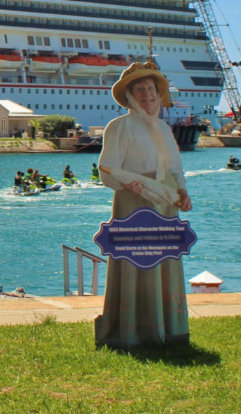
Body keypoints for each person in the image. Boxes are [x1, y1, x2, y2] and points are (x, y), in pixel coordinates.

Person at [95, 61, 191, 349]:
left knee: (164, 262)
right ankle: (133, 331)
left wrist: (183, 190)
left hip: (166, 199)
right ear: (129, 96)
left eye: (151, 88)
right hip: (134, 199)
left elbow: (175, 165)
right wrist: (129, 183)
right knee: (137, 260)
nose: (148, 94)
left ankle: (170, 330)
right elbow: (106, 168)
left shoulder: (163, 127)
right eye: (140, 89)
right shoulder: (119, 126)